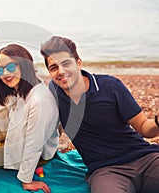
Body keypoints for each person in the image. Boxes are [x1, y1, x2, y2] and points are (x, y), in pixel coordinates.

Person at [40, 36, 159, 193]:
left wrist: (157, 120)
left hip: (145, 159)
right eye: (53, 67)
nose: (61, 72)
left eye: (66, 63)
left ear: (79, 63)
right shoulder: (53, 93)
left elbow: (144, 128)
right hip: (107, 171)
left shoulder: (110, 86)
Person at [0, 20, 60, 193]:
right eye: (2, 70)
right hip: (14, 135)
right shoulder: (20, 86)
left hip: (36, 156)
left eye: (11, 66)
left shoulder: (39, 101)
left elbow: (34, 144)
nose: (5, 73)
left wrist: (26, 180)